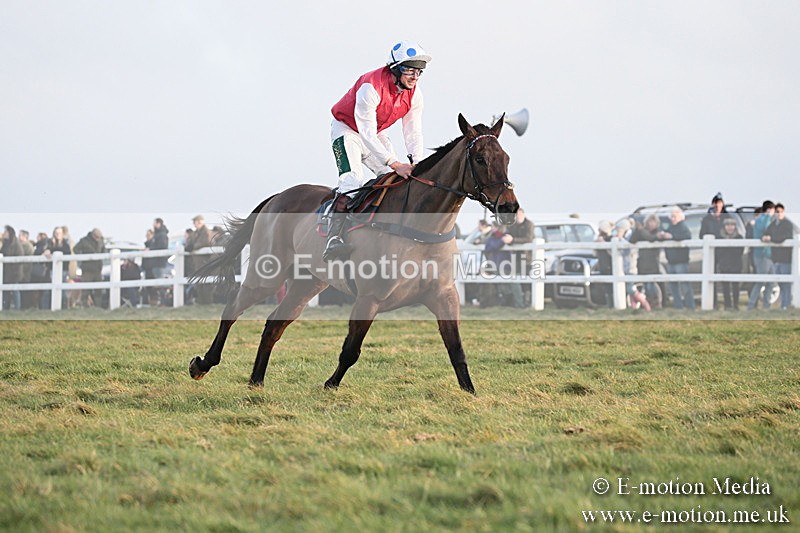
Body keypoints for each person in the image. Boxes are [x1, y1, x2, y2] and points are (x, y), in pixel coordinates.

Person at [323, 40, 431, 261]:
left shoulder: (415, 94)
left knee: (391, 180)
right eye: (409, 70)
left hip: (376, 132)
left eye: (419, 71)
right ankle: (333, 239)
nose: (414, 76)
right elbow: (366, 133)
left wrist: (417, 162)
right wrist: (396, 163)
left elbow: (413, 132)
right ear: (395, 68)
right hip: (348, 130)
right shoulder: (370, 87)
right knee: (352, 182)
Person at [658, 207, 695, 310]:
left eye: (674, 216)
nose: (672, 218)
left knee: (685, 285)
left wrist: (671, 236)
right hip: (671, 261)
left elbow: (686, 236)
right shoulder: (670, 227)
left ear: (680, 217)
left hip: (681, 261)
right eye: (672, 216)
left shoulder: (683, 227)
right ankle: (678, 306)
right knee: (673, 285)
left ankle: (690, 306)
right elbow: (668, 235)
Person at [483, 222, 524, 308]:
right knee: (503, 286)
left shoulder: (507, 235)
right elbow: (489, 247)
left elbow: (510, 243)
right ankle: (508, 302)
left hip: (508, 264)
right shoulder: (492, 237)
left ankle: (519, 304)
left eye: (494, 226)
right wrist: (501, 241)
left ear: (498, 227)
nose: (492, 228)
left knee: (514, 285)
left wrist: (505, 241)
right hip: (497, 265)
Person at [762, 203, 794, 310]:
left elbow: (785, 237)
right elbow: (766, 233)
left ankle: (787, 304)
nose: (778, 214)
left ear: (783, 212)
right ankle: (783, 304)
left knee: (786, 283)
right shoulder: (773, 224)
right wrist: (765, 237)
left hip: (786, 258)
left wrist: (771, 238)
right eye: (777, 211)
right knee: (780, 283)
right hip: (776, 258)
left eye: (780, 211)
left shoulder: (787, 224)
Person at [614, 219, 650, 311]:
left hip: (631, 266)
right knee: (629, 289)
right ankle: (634, 308)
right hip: (625, 267)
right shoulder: (624, 237)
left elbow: (627, 249)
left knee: (631, 288)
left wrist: (620, 239)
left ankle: (645, 304)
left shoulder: (630, 236)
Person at [747, 200, 776, 310]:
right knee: (761, 281)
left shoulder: (760, 220)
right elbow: (766, 230)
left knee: (770, 281)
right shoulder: (764, 219)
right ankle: (752, 304)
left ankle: (766, 305)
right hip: (762, 254)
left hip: (767, 255)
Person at [630, 214, 662, 308]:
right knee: (646, 285)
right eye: (649, 222)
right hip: (643, 262)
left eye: (653, 222)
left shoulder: (657, 233)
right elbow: (632, 240)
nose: (651, 224)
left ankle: (654, 303)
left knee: (651, 285)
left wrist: (641, 230)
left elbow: (651, 238)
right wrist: (637, 230)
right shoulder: (643, 232)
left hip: (652, 262)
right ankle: (649, 303)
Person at [73, 228, 106, 307]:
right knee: (86, 290)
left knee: (98, 290)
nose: (98, 239)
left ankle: (98, 306)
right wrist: (82, 259)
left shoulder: (101, 241)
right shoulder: (84, 241)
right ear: (93, 235)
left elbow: (104, 251)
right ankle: (85, 306)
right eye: (97, 237)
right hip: (87, 269)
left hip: (97, 269)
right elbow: (75, 249)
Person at [716, 217, 744, 310]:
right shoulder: (719, 238)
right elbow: (718, 252)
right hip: (724, 264)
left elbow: (740, 251)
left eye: (732, 225)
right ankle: (727, 305)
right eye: (728, 225)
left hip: (736, 264)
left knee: (736, 286)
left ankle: (735, 305)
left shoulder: (739, 238)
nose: (730, 227)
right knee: (725, 287)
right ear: (724, 227)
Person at [185, 215, 214, 304]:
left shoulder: (206, 232)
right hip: (196, 262)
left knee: (205, 283)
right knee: (199, 282)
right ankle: (201, 301)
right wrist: (189, 246)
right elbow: (190, 242)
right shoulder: (195, 233)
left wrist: (194, 247)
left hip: (204, 261)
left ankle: (207, 302)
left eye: (196, 222)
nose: (195, 224)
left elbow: (207, 242)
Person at [1, 226, 24, 310]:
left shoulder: (16, 244)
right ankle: (5, 307)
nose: (4, 234)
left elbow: (20, 257)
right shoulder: (5, 243)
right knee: (6, 291)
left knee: (15, 291)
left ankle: (17, 308)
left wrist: (15, 270)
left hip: (14, 272)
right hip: (6, 272)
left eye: (6, 232)